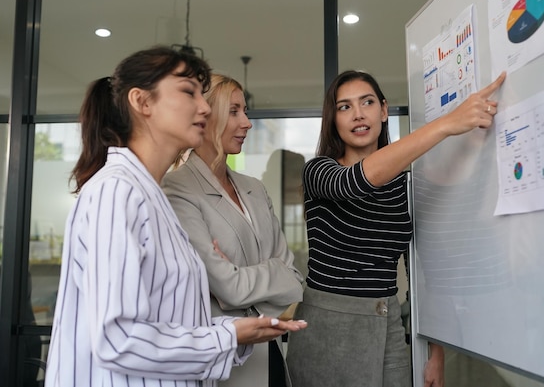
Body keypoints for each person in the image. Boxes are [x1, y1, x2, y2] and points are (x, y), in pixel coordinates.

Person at [44, 46, 307, 387]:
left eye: (202, 95)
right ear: (142, 102)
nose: (203, 107)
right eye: (188, 92)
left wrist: (235, 331)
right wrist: (226, 336)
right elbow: (118, 339)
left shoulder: (151, 198)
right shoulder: (116, 192)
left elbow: (168, 323)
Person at [286, 69, 506, 387]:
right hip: (328, 327)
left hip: (386, 322)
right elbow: (354, 183)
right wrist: (445, 124)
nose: (358, 114)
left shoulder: (407, 187)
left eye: (367, 102)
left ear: (384, 110)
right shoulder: (319, 171)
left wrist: (437, 356)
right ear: (333, 119)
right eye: (345, 107)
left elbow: (426, 272)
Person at [161, 74, 304, 387]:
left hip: (272, 355)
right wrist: (269, 274)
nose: (248, 123)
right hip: (223, 360)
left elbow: (293, 281)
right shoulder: (177, 189)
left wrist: (237, 279)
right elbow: (228, 287)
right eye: (235, 111)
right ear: (205, 116)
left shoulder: (254, 188)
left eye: (246, 111)